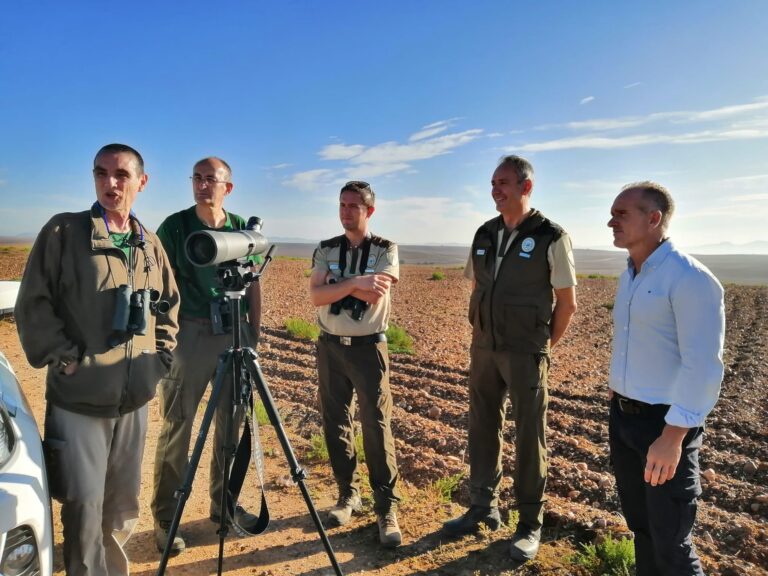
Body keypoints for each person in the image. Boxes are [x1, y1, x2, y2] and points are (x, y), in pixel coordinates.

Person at [14, 143, 180, 576]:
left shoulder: (150, 245)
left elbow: (169, 309)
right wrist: (66, 358)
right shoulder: (64, 233)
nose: (111, 183)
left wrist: (159, 362)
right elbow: (33, 304)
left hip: (134, 400)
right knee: (83, 506)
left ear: (141, 182)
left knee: (121, 506)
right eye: (101, 173)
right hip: (80, 398)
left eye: (122, 175)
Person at [443, 155, 577, 562]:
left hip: (526, 352)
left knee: (529, 437)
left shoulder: (551, 235)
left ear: (526, 187)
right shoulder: (484, 233)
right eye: (492, 183)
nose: (495, 190)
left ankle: (529, 525)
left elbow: (567, 304)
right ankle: (483, 508)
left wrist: (541, 347)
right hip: (483, 348)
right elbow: (477, 289)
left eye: (503, 183)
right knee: (482, 426)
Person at [607, 182, 725, 575]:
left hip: (665, 425)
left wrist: (672, 437)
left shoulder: (690, 278)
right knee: (642, 529)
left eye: (621, 214)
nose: (611, 222)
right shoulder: (629, 275)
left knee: (672, 543)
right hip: (624, 419)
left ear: (654, 218)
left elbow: (704, 366)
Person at [151, 157, 263, 553]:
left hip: (233, 330)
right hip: (191, 333)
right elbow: (159, 281)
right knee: (178, 426)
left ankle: (224, 505)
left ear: (227, 187)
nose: (202, 185)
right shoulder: (176, 226)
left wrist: (254, 331)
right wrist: (166, 335)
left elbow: (252, 283)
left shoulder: (239, 230)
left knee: (231, 425)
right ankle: (166, 517)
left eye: (210, 179)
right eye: (196, 178)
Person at [308, 180, 402, 548]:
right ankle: (348, 494)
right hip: (330, 346)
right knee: (335, 421)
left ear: (369, 211)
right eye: (342, 205)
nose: (346, 211)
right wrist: (356, 282)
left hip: (368, 349)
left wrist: (338, 281)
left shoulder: (386, 249)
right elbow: (317, 295)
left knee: (376, 426)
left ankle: (385, 507)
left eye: (354, 206)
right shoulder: (325, 247)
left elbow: (376, 290)